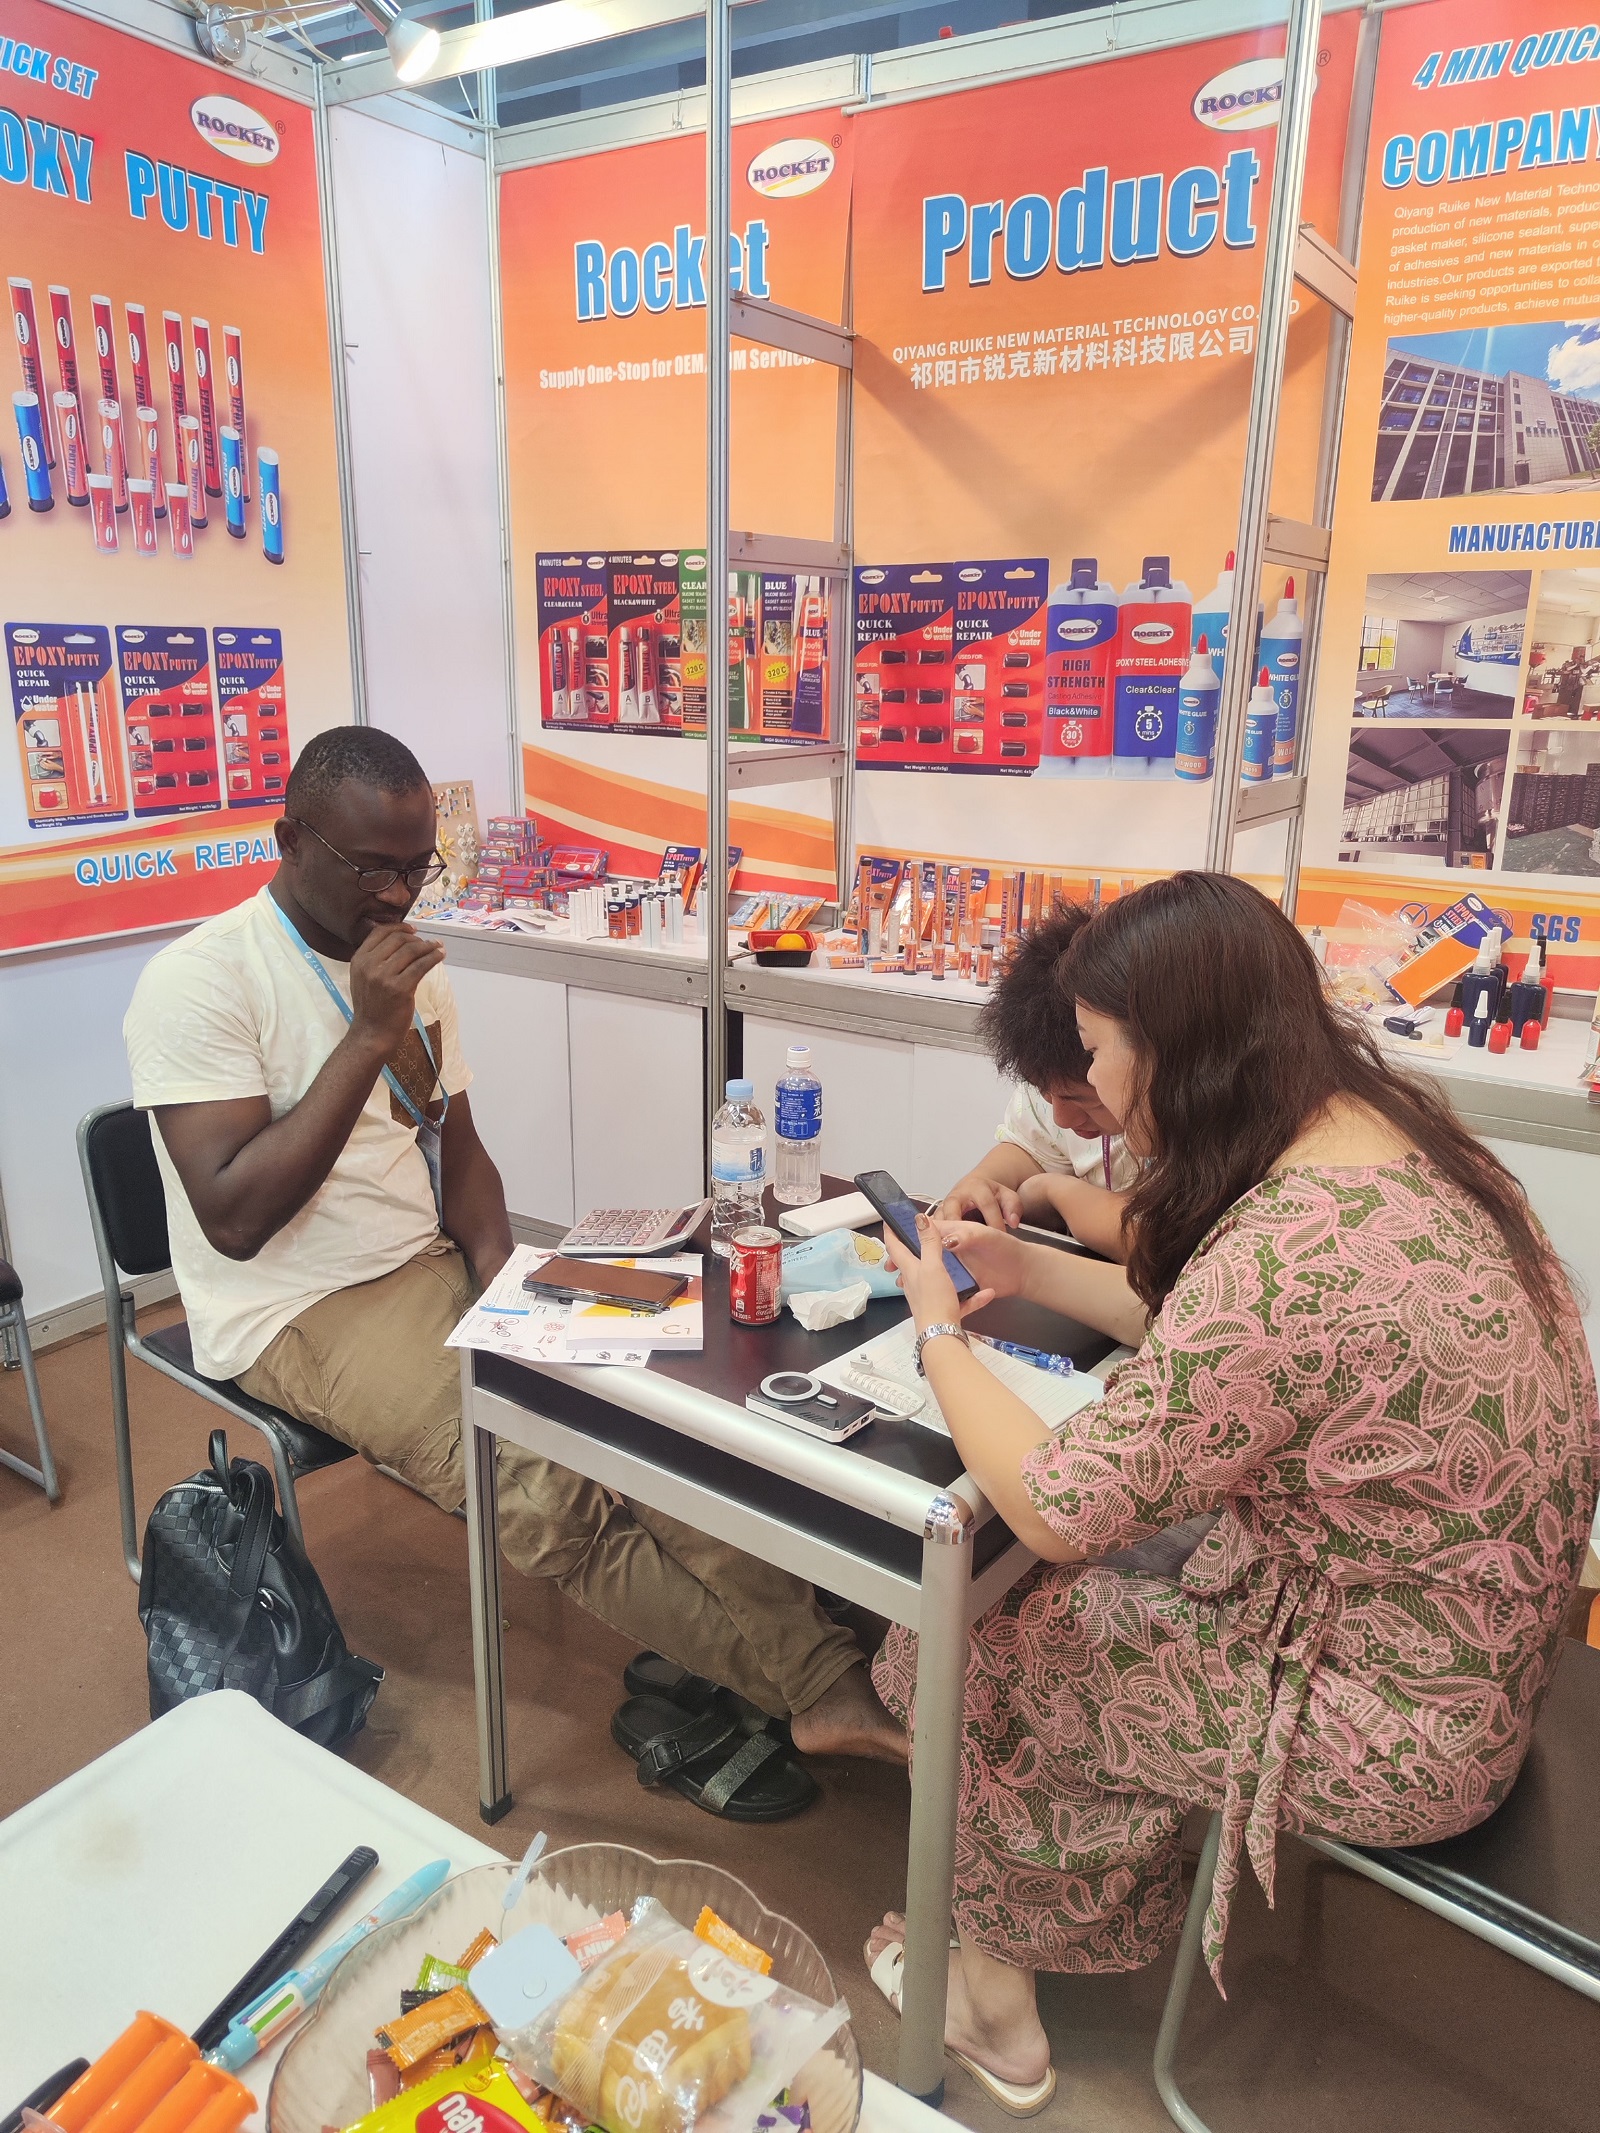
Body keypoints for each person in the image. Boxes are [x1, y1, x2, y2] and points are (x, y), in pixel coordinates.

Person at [864, 872, 1598, 2112]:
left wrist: (939, 1328)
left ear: (1174, 1051)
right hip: (1477, 1645)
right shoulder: (1390, 1137)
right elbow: (1202, 1328)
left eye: (1099, 1053)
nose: (1095, 1092)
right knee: (1089, 1573)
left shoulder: (1284, 1255)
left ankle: (991, 2008)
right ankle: (1051, 1877)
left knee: (994, 1617)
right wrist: (1023, 1263)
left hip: (1400, 1724)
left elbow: (1054, 1503)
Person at [123, 726, 904, 1781]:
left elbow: (459, 1146)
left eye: (417, 867)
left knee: (650, 1399)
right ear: (290, 840)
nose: (399, 896)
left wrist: (510, 1286)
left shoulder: (401, 962)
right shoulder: (199, 981)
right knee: (547, 1492)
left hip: (431, 1261)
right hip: (297, 1305)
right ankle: (815, 1688)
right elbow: (234, 1217)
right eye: (372, 869)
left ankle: (826, 1648)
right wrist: (367, 1034)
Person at [937, 904, 1139, 1259]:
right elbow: (1032, 1147)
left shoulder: (1162, 1115)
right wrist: (982, 1181)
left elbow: (1157, 1241)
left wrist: (1053, 1191)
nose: (1062, 1118)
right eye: (1045, 1093)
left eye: (1083, 1101)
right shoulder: (1054, 1072)